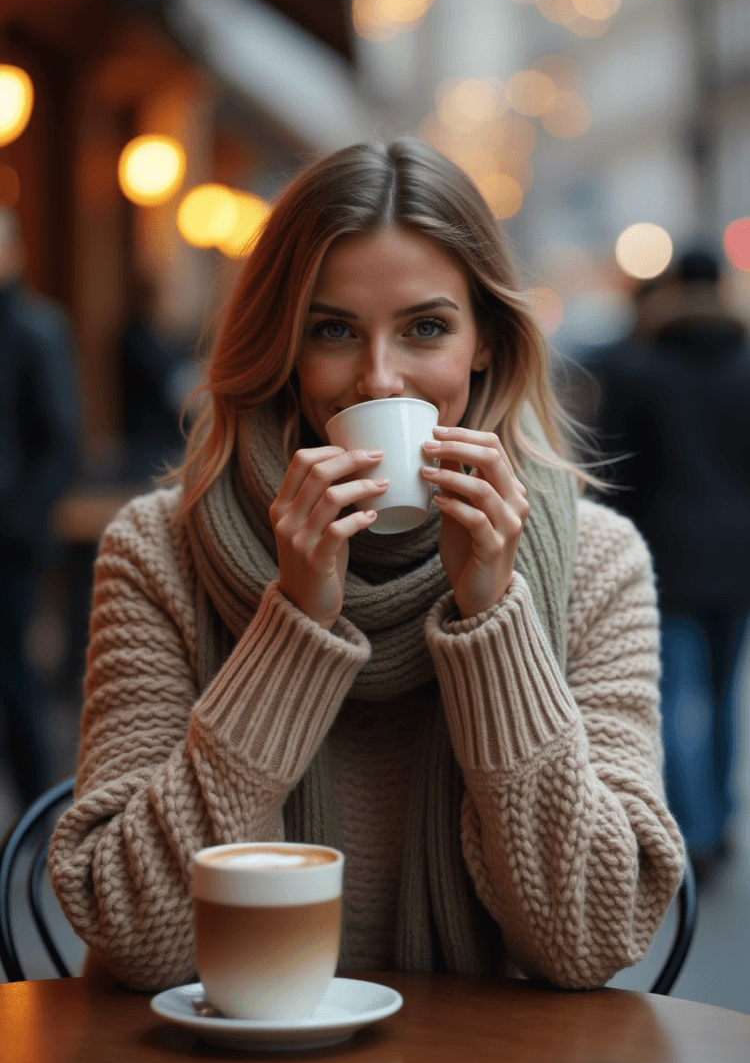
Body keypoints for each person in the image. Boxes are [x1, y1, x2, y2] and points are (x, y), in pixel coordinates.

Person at [48, 141, 684, 993]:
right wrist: (295, 628)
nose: (379, 379)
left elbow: (592, 934)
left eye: (425, 327)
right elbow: (133, 929)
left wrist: (494, 617)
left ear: (484, 343)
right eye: (334, 330)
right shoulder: (158, 549)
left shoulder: (598, 564)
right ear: (284, 344)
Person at [580, 249, 750, 879]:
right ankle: (722, 819)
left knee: (678, 696)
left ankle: (695, 832)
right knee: (723, 693)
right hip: (739, 559)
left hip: (667, 554)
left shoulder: (642, 366)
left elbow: (614, 472)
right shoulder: (747, 363)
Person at [0, 206, 79, 807]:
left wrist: (21, 522)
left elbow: (61, 442)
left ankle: (33, 814)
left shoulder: (37, 328)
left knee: (12, 677)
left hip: (11, 538)